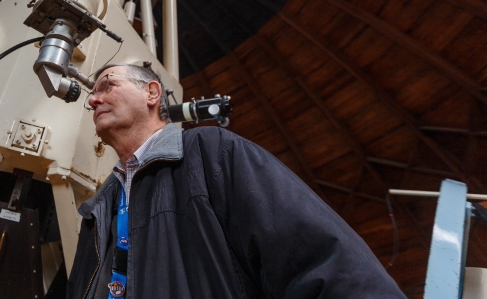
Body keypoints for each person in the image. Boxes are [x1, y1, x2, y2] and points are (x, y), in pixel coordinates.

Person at [67, 63, 406, 299]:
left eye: (107, 85)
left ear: (152, 93)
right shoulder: (98, 206)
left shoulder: (212, 152)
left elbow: (320, 261)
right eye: (92, 95)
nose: (94, 99)